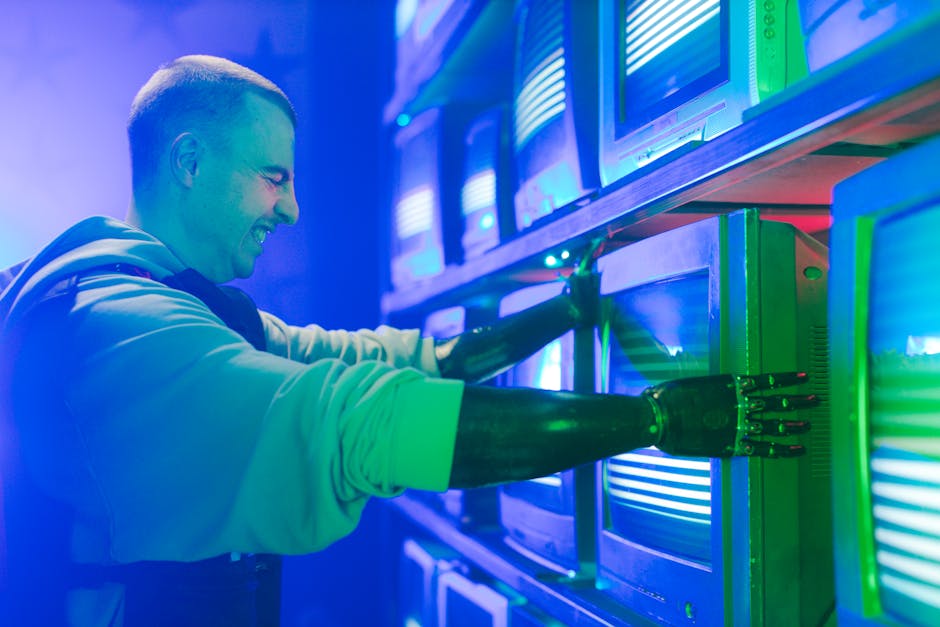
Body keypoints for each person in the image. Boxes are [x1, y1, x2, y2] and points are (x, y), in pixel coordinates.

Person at [0, 55, 813, 627]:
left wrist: (565, 308)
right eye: (274, 178)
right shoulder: (120, 335)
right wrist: (655, 421)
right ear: (187, 161)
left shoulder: (151, 292)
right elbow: (360, 422)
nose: (290, 212)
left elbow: (369, 360)